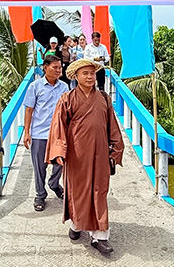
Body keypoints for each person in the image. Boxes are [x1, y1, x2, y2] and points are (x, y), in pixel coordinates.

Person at [46, 59, 125, 254]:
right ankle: (76, 224)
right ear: (76, 76)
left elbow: (113, 126)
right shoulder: (67, 99)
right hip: (77, 154)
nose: (90, 77)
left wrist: (116, 149)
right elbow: (58, 126)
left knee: (99, 191)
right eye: (85, 73)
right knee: (79, 192)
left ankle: (100, 236)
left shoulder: (104, 99)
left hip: (100, 153)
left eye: (92, 73)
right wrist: (59, 150)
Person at [22, 55, 69, 211]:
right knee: (39, 166)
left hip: (58, 133)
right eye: (55, 67)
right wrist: (26, 132)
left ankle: (54, 184)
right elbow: (29, 110)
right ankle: (40, 194)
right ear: (45, 67)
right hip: (39, 133)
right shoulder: (35, 86)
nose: (58, 70)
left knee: (60, 162)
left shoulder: (64, 87)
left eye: (60, 67)